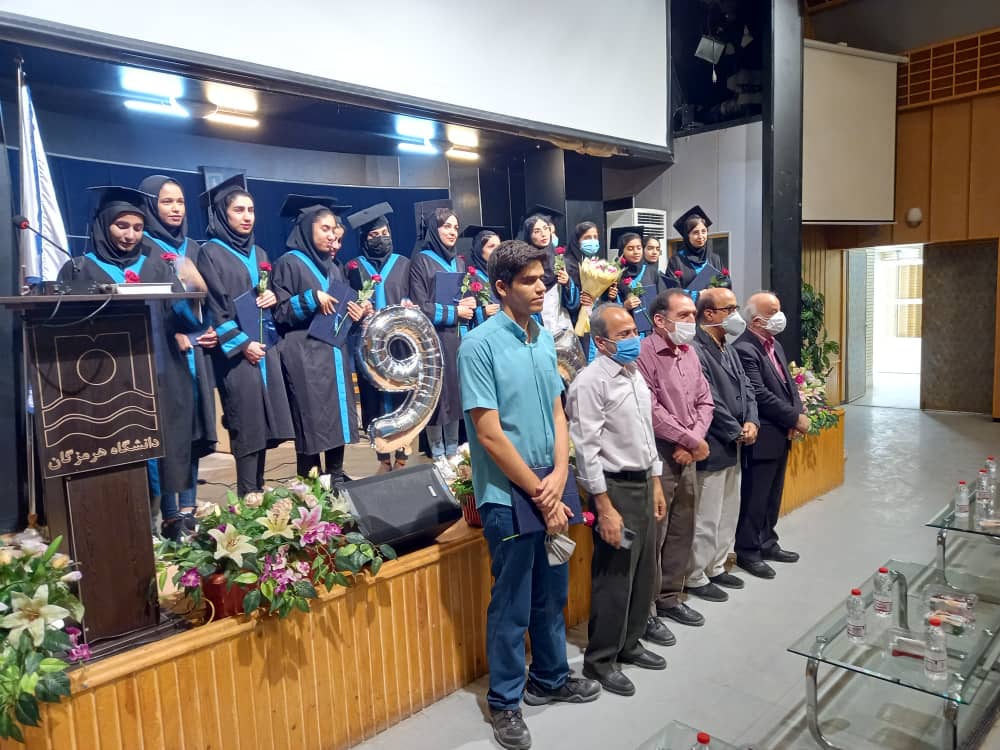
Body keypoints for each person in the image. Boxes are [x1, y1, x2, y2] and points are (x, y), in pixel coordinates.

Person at [458, 239, 600, 750]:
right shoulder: (478, 345)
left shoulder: (543, 339)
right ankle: (505, 701)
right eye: (529, 281)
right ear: (501, 287)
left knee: (553, 589)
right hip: (508, 491)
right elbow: (489, 433)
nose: (542, 287)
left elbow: (559, 413)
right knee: (512, 601)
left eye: (544, 279)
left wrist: (561, 471)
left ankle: (551, 677)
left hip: (551, 482)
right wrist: (542, 491)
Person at [58, 186, 208, 535]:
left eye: (138, 228)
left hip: (161, 377)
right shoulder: (79, 269)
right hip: (107, 389)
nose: (130, 235)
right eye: (121, 226)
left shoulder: (156, 266)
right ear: (103, 226)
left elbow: (184, 320)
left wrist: (195, 292)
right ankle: (127, 532)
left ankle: (164, 525)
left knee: (166, 453)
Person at [567, 304, 668, 698]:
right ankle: (601, 659)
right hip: (614, 489)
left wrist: (656, 482)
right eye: (623, 334)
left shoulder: (633, 373)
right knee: (615, 576)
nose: (633, 339)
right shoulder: (591, 383)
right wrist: (604, 507)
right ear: (601, 342)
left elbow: (646, 434)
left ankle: (630, 642)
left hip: (643, 483)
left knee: (644, 571)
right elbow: (586, 448)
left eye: (633, 331)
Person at [196, 174, 294, 496]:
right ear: (222, 214)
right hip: (237, 354)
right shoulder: (211, 253)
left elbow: (271, 293)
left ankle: (259, 492)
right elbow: (215, 307)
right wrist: (243, 344)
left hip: (265, 348)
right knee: (246, 425)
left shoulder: (260, 253)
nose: (247, 216)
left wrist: (274, 296)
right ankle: (246, 496)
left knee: (264, 426)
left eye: (251, 210)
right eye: (238, 210)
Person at [138, 176, 218, 538]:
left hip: (195, 356)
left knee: (192, 433)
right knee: (168, 437)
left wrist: (205, 332)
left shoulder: (194, 248)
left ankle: (189, 510)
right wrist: (175, 332)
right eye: (167, 201)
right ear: (151, 205)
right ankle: (169, 515)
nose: (175, 209)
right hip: (164, 356)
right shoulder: (143, 247)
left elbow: (209, 301)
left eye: (180, 202)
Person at [272, 196, 368, 483]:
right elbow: (280, 311)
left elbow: (339, 310)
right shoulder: (289, 263)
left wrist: (355, 313)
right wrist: (311, 298)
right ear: (306, 229)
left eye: (333, 230)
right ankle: (311, 484)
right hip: (304, 354)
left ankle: (336, 477)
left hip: (333, 353)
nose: (330, 235)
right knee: (311, 421)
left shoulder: (334, 267)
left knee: (337, 417)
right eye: (324, 229)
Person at [636, 289, 714, 636]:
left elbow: (705, 401)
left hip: (688, 453)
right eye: (683, 316)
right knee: (656, 533)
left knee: (683, 527)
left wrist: (692, 440)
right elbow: (650, 409)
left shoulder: (690, 352)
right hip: (659, 456)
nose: (691, 322)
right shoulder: (643, 353)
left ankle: (670, 596)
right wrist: (689, 440)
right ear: (659, 320)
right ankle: (647, 609)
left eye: (693, 315)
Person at [686, 287, 758, 602]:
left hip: (736, 441)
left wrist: (752, 421)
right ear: (709, 314)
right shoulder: (696, 349)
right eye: (729, 309)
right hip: (714, 442)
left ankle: (716, 565)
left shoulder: (727, 345)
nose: (735, 315)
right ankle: (695, 574)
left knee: (729, 509)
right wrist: (735, 430)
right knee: (707, 514)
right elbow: (708, 399)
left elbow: (747, 387)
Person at [732, 291, 806, 579]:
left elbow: (788, 384)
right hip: (763, 433)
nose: (780, 316)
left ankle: (768, 541)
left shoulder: (774, 344)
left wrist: (795, 414)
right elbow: (759, 394)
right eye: (773, 311)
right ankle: (748, 550)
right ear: (756, 320)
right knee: (756, 496)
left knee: (773, 495)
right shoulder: (745, 348)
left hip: (782, 431)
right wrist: (794, 418)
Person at [345, 202, 412, 472]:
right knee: (373, 401)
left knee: (403, 399)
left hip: (400, 346)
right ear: (364, 239)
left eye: (385, 233)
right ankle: (382, 459)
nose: (381, 239)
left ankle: (403, 457)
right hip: (369, 348)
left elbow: (414, 298)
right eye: (374, 235)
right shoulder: (353, 267)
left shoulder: (404, 264)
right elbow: (347, 306)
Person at [409, 206, 472, 461]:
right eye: (446, 226)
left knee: (455, 395)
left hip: (456, 338)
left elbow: (464, 298)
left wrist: (469, 303)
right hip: (432, 340)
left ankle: (454, 453)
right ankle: (437, 454)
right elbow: (420, 305)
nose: (452, 232)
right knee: (436, 396)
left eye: (456, 227)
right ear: (435, 230)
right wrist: (455, 312)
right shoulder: (421, 260)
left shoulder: (459, 261)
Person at [519, 207, 580, 333]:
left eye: (546, 228)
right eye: (537, 231)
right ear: (529, 235)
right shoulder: (524, 264)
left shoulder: (560, 261)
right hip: (535, 325)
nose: (543, 234)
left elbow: (573, 304)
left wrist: (568, 284)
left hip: (560, 324)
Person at [666, 206, 724, 295]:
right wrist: (696, 295)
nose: (701, 236)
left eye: (703, 231)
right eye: (695, 232)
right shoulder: (676, 260)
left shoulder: (715, 259)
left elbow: (725, 284)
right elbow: (671, 291)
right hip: (687, 304)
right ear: (687, 235)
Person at [462, 225, 503, 329]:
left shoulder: (503, 274)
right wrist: (483, 312)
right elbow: (464, 313)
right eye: (491, 246)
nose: (496, 250)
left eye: (499, 246)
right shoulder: (470, 278)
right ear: (479, 250)